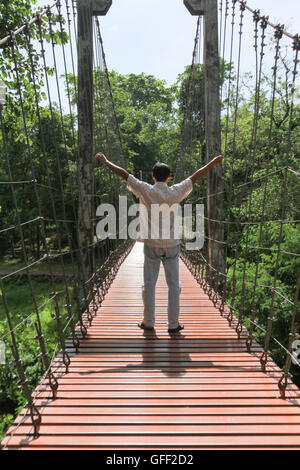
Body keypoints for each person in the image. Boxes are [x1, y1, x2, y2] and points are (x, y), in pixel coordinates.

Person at [95, 152, 223, 333]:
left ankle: (148, 322)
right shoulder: (176, 191)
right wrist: (212, 162)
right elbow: (196, 176)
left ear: (153, 177)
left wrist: (107, 161)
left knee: (149, 283)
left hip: (152, 245)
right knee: (174, 285)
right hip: (171, 245)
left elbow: (124, 174)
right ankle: (173, 324)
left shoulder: (145, 189)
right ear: (169, 178)